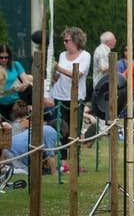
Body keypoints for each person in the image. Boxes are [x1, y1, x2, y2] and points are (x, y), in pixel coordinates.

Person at [49, 27, 92, 171]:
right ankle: (62, 163)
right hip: (59, 96)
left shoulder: (85, 56)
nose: (64, 43)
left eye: (67, 40)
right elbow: (58, 77)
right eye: (64, 40)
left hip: (76, 98)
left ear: (76, 40)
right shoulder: (62, 55)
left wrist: (58, 68)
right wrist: (53, 72)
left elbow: (77, 74)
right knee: (61, 130)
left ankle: (75, 163)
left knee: (75, 130)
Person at [1, 100, 59, 175]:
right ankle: (7, 169)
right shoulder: (28, 125)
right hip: (14, 154)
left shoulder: (12, 125)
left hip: (9, 153)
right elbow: (50, 154)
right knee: (26, 172)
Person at [0, 43, 34, 121]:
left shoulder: (15, 65)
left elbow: (26, 81)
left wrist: (23, 86)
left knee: (17, 128)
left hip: (15, 104)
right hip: (1, 104)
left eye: (6, 57)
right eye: (1, 57)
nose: (4, 60)